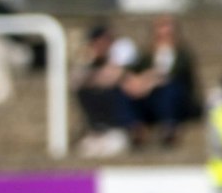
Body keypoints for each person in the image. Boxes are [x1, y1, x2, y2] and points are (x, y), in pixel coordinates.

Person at [124, 14, 201, 147]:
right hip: (150, 99)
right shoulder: (147, 55)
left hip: (177, 101)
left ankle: (169, 127)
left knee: (170, 88)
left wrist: (150, 80)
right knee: (127, 89)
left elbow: (175, 74)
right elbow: (133, 71)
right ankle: (136, 127)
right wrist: (135, 82)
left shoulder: (182, 54)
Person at [70, 21, 139, 157]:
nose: (101, 46)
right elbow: (75, 81)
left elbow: (111, 77)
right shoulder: (88, 64)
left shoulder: (122, 56)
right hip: (96, 131)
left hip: (118, 129)